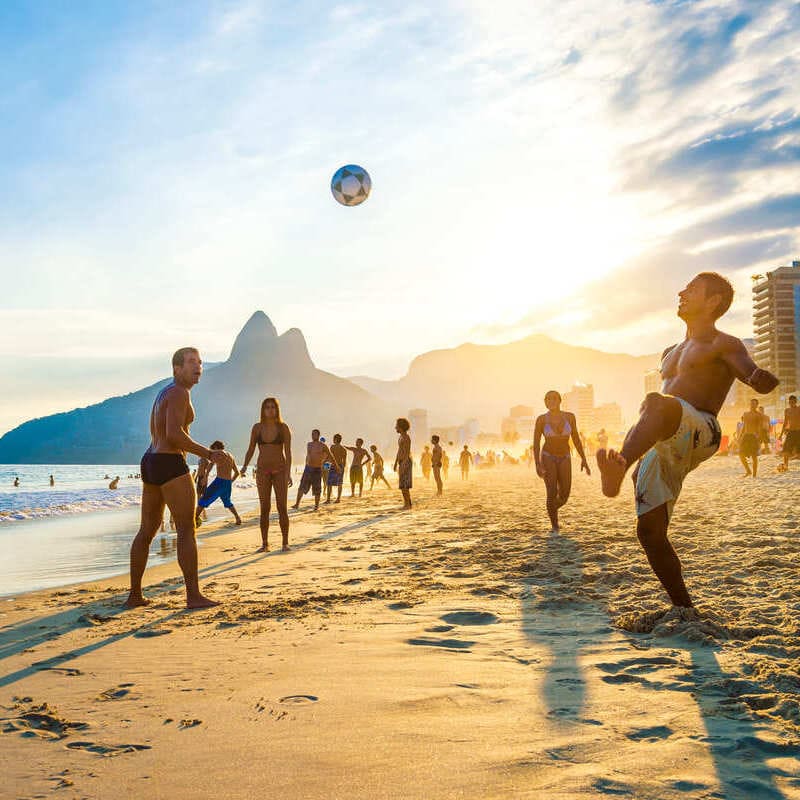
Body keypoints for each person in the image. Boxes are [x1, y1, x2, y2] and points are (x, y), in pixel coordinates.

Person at [596, 273, 778, 610]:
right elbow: (656, 409)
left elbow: (751, 375)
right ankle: (684, 608)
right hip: (666, 437)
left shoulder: (724, 344)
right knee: (649, 533)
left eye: (691, 289)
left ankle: (620, 465)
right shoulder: (669, 352)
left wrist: (760, 379)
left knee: (655, 402)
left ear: (713, 301)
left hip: (702, 428)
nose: (681, 292)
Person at [125, 347, 225, 609]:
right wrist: (208, 453)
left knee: (147, 531)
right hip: (169, 461)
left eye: (200, 362)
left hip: (150, 461)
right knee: (185, 530)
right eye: (191, 362)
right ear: (176, 368)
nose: (198, 367)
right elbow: (174, 434)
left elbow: (166, 433)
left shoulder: (164, 393)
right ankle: (193, 596)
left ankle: (134, 595)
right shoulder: (179, 393)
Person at [533, 390, 590, 533]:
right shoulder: (541, 419)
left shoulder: (570, 417)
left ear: (560, 400)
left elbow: (576, 439)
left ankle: (551, 508)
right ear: (545, 402)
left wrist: (583, 458)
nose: (551, 401)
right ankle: (555, 525)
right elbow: (536, 443)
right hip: (547, 457)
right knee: (551, 491)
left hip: (565, 456)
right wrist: (537, 464)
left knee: (565, 494)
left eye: (554, 398)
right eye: (548, 399)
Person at [241, 397, 292, 552]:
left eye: (273, 407)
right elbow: (251, 449)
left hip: (280, 471)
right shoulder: (257, 428)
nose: (270, 410)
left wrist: (288, 473)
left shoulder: (283, 428)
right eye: (267, 407)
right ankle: (265, 544)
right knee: (264, 508)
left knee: (282, 507)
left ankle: (285, 543)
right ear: (262, 410)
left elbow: (288, 453)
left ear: (277, 409)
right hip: (262, 471)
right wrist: (244, 466)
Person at [195, 440, 242, 526]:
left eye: (213, 449)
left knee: (204, 499)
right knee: (227, 502)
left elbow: (211, 464)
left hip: (219, 482)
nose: (212, 452)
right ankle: (237, 517)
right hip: (227, 483)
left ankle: (194, 518)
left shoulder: (218, 453)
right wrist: (230, 481)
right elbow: (237, 473)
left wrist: (205, 477)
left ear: (216, 448)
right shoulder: (231, 456)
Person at [293, 429, 338, 511]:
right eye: (312, 434)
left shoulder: (323, 446)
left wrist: (336, 466)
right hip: (308, 468)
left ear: (318, 435)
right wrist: (306, 463)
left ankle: (316, 506)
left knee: (317, 488)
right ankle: (297, 504)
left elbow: (330, 456)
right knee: (302, 486)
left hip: (317, 469)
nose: (313, 436)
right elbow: (308, 455)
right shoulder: (309, 444)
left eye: (314, 434)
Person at [738, 399, 762, 478]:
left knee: (754, 456)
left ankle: (754, 475)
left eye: (754, 404)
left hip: (754, 436)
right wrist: (740, 436)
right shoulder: (745, 414)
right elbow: (744, 426)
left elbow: (759, 427)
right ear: (750, 404)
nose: (752, 405)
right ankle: (748, 471)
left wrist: (759, 437)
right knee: (741, 454)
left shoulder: (758, 415)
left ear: (757, 405)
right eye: (751, 404)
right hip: (746, 436)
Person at [394, 418, 413, 509]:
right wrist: (395, 463)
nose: (395, 428)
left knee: (405, 485)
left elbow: (407, 451)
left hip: (405, 461)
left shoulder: (406, 437)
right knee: (402, 484)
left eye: (396, 426)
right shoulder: (400, 437)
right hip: (401, 462)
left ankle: (407, 504)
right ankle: (407, 503)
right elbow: (399, 450)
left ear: (401, 427)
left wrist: (404, 462)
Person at [779, 395, 800, 472]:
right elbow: (785, 423)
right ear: (789, 402)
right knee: (785, 450)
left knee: (798, 452)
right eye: (790, 402)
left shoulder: (799, 409)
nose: (792, 403)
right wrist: (781, 434)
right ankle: (785, 466)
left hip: (799, 432)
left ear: (796, 402)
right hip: (791, 432)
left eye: (793, 402)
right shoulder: (787, 410)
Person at [326, 434, 347, 504]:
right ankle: (338, 499)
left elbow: (329, 458)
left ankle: (328, 499)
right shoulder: (344, 449)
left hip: (333, 466)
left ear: (335, 439)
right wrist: (342, 469)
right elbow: (344, 461)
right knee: (340, 483)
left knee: (329, 483)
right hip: (340, 466)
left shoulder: (332, 447)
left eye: (333, 438)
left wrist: (326, 467)